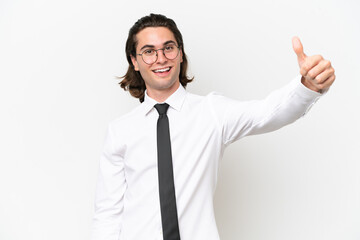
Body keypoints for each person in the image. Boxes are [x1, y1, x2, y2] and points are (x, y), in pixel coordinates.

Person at [91, 13, 335, 240]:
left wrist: (308, 86)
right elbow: (107, 214)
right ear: (134, 61)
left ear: (180, 53)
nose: (161, 58)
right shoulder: (120, 131)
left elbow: (267, 113)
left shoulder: (211, 113)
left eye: (168, 48)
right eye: (148, 51)